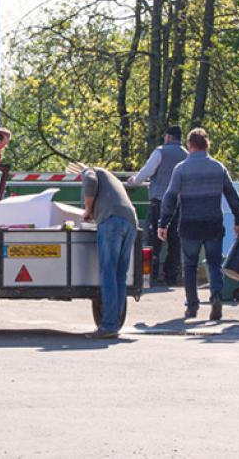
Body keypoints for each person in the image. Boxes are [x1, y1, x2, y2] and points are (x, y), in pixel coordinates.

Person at [158, 128, 239, 321]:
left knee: (189, 266)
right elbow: (232, 196)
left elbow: (170, 198)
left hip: (189, 225)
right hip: (213, 223)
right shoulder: (218, 168)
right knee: (214, 264)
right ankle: (216, 299)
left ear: (189, 145)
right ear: (207, 145)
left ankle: (192, 307)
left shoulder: (181, 169)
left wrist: (163, 223)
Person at [81, 165, 139, 339]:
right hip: (130, 222)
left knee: (108, 272)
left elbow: (90, 182)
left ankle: (108, 325)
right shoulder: (111, 178)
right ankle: (114, 322)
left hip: (111, 221)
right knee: (119, 275)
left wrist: (88, 210)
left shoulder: (89, 171)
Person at [127, 125, 188, 285]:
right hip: (179, 204)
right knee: (175, 241)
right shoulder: (186, 155)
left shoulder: (160, 151)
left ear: (168, 137)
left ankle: (151, 275)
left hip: (160, 201)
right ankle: (171, 276)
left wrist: (134, 181)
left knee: (154, 239)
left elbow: (147, 172)